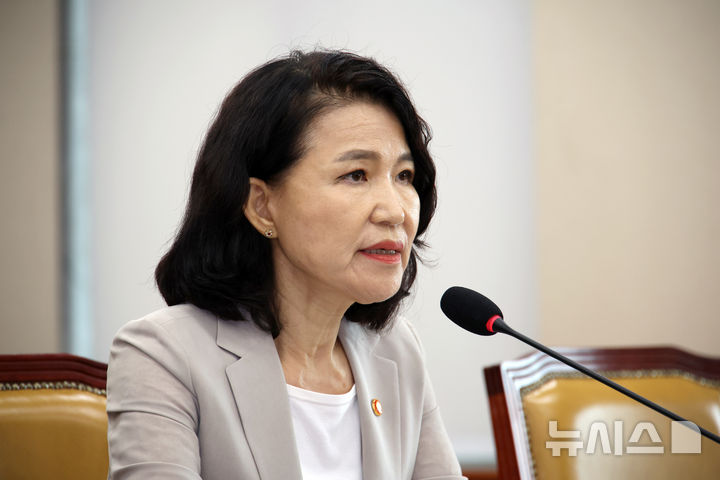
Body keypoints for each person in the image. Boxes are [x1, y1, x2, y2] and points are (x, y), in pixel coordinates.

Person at [106, 49, 465, 480]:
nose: (395, 211)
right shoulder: (164, 355)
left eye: (404, 176)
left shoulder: (396, 350)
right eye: (356, 174)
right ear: (262, 206)